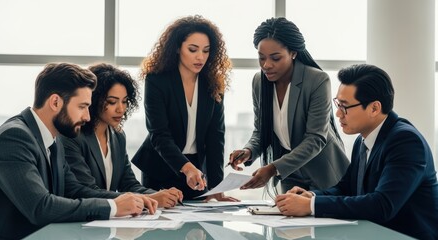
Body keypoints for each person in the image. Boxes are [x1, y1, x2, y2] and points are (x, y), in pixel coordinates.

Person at [275, 64, 438, 240]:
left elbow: (382, 205)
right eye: (337, 104)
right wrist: (311, 196)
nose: (338, 114)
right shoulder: (362, 140)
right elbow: (347, 188)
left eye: (344, 106)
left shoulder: (405, 141)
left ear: (374, 108)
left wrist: (311, 206)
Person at [0, 63, 158, 239]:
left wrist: (127, 200)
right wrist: (113, 207)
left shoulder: (55, 139)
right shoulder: (15, 137)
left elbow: (75, 190)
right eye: (82, 107)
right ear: (55, 102)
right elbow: (40, 207)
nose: (87, 116)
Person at [229, 17, 349, 194]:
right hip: (289, 174)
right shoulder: (259, 82)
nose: (266, 65)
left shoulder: (317, 80)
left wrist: (272, 168)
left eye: (275, 58)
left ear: (293, 53)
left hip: (324, 173)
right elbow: (261, 131)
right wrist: (248, 151)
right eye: (261, 58)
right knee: (288, 219)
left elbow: (315, 139)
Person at [131, 15, 237, 201]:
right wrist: (187, 168)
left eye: (206, 51)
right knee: (160, 227)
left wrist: (217, 187)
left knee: (200, 226)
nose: (200, 57)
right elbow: (159, 134)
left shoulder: (212, 83)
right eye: (193, 49)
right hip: (161, 168)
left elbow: (215, 138)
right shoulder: (157, 80)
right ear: (178, 48)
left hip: (197, 173)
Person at [59, 63, 183, 208]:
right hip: (81, 222)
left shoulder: (118, 136)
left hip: (107, 221)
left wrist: (163, 196)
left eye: (124, 101)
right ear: (94, 99)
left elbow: (128, 183)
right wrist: (146, 199)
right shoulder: (74, 136)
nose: (121, 109)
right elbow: (86, 191)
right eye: (112, 102)